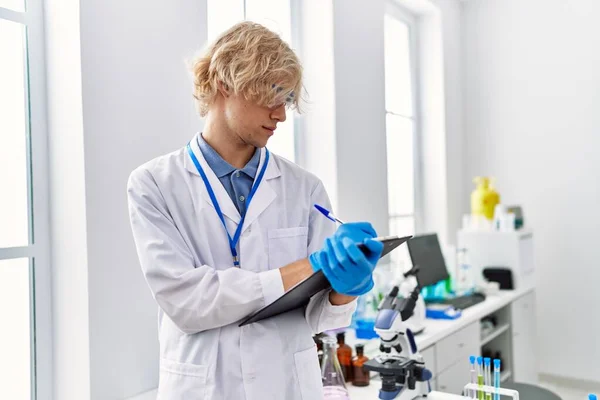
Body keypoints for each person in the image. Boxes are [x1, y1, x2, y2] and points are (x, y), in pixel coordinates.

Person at [127, 21, 383, 400]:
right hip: (204, 387)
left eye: (288, 100)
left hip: (288, 386)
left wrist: (345, 289)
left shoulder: (304, 188)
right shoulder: (154, 184)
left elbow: (321, 318)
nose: (281, 114)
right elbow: (187, 302)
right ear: (224, 83)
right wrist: (314, 264)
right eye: (272, 95)